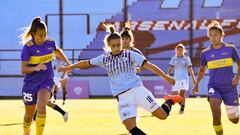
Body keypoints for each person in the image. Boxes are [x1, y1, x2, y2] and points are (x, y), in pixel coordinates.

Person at [58, 25, 183, 135]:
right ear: (108, 46)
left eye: (119, 45)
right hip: (122, 97)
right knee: (130, 126)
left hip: (137, 90)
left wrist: (166, 77)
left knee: (163, 116)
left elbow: (148, 65)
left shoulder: (129, 54)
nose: (117, 48)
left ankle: (170, 100)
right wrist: (69, 67)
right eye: (113, 46)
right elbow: (86, 63)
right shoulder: (104, 58)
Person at [19, 17, 71, 135]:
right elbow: (23, 69)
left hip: (46, 81)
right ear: (33, 34)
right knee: (28, 116)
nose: (43, 38)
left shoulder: (50, 43)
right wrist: (36, 68)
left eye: (44, 34)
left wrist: (68, 64)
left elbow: (57, 51)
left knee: (42, 105)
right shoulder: (28, 47)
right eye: (40, 35)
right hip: (30, 84)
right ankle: (26, 132)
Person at [193, 21, 240, 135]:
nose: (213, 38)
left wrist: (237, 78)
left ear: (221, 35)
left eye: (216, 35)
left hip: (230, 87)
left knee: (234, 120)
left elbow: (239, 64)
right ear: (208, 37)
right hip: (214, 87)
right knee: (215, 112)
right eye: (211, 35)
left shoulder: (231, 48)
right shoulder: (205, 52)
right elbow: (202, 69)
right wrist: (196, 84)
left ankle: (232, 109)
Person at [168, 43, 196, 114]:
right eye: (178, 50)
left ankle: (182, 108)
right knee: (174, 95)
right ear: (176, 51)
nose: (179, 51)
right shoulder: (173, 58)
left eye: (181, 50)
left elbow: (190, 69)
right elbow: (170, 68)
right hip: (175, 79)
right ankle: (179, 103)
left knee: (182, 94)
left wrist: (193, 79)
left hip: (184, 79)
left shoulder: (186, 58)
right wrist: (168, 75)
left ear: (184, 51)